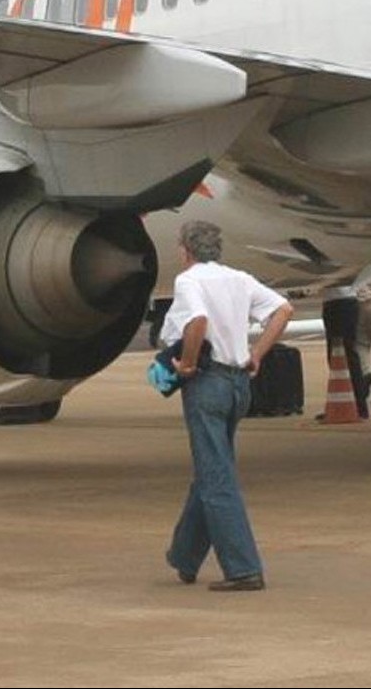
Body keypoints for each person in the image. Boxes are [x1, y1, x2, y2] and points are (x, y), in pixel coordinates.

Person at [162, 219, 293, 592]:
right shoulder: (239, 278)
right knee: (213, 465)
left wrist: (186, 364)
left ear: (185, 250)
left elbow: (197, 321)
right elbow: (283, 310)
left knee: (217, 476)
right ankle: (184, 555)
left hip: (208, 382)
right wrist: (257, 353)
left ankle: (243, 567)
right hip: (238, 382)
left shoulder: (189, 281)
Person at [317, 284, 368, 418]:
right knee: (340, 356)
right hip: (339, 301)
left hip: (339, 302)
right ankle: (347, 403)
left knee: (344, 356)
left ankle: (357, 404)